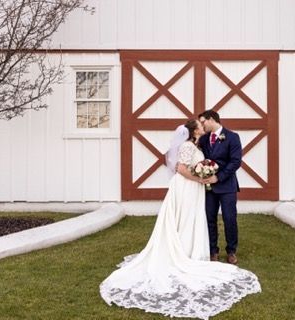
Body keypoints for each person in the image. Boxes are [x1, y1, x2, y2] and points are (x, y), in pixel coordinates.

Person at [99, 119, 260, 319]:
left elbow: (227, 161)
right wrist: (200, 178)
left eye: (204, 123)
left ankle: (213, 250)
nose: (202, 126)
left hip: (196, 188)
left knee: (197, 217)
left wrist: (204, 173)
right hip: (187, 187)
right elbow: (181, 168)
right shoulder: (187, 145)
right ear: (193, 131)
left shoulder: (199, 144)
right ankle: (187, 251)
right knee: (186, 218)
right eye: (199, 125)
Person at [198, 110, 242, 265]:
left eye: (203, 122)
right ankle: (212, 251)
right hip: (209, 188)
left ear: (211, 120)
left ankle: (231, 251)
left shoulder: (232, 137)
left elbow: (236, 162)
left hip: (227, 185)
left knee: (230, 218)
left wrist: (218, 177)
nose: (202, 125)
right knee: (210, 219)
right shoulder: (203, 139)